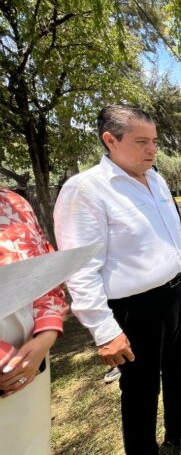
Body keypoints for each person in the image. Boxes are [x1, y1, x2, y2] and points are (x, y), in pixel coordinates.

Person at [54, 105, 181, 454]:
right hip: (135, 308)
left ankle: (179, 429)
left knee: (180, 369)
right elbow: (80, 269)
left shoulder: (155, 180)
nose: (152, 149)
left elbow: (173, 232)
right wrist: (104, 330)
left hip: (175, 295)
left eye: (155, 141)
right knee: (141, 390)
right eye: (142, 141)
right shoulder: (86, 190)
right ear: (110, 140)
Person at [0, 189, 70, 454]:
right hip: (10, 363)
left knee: (32, 442)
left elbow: (46, 273)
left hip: (32, 352)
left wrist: (46, 335)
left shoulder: (14, 203)